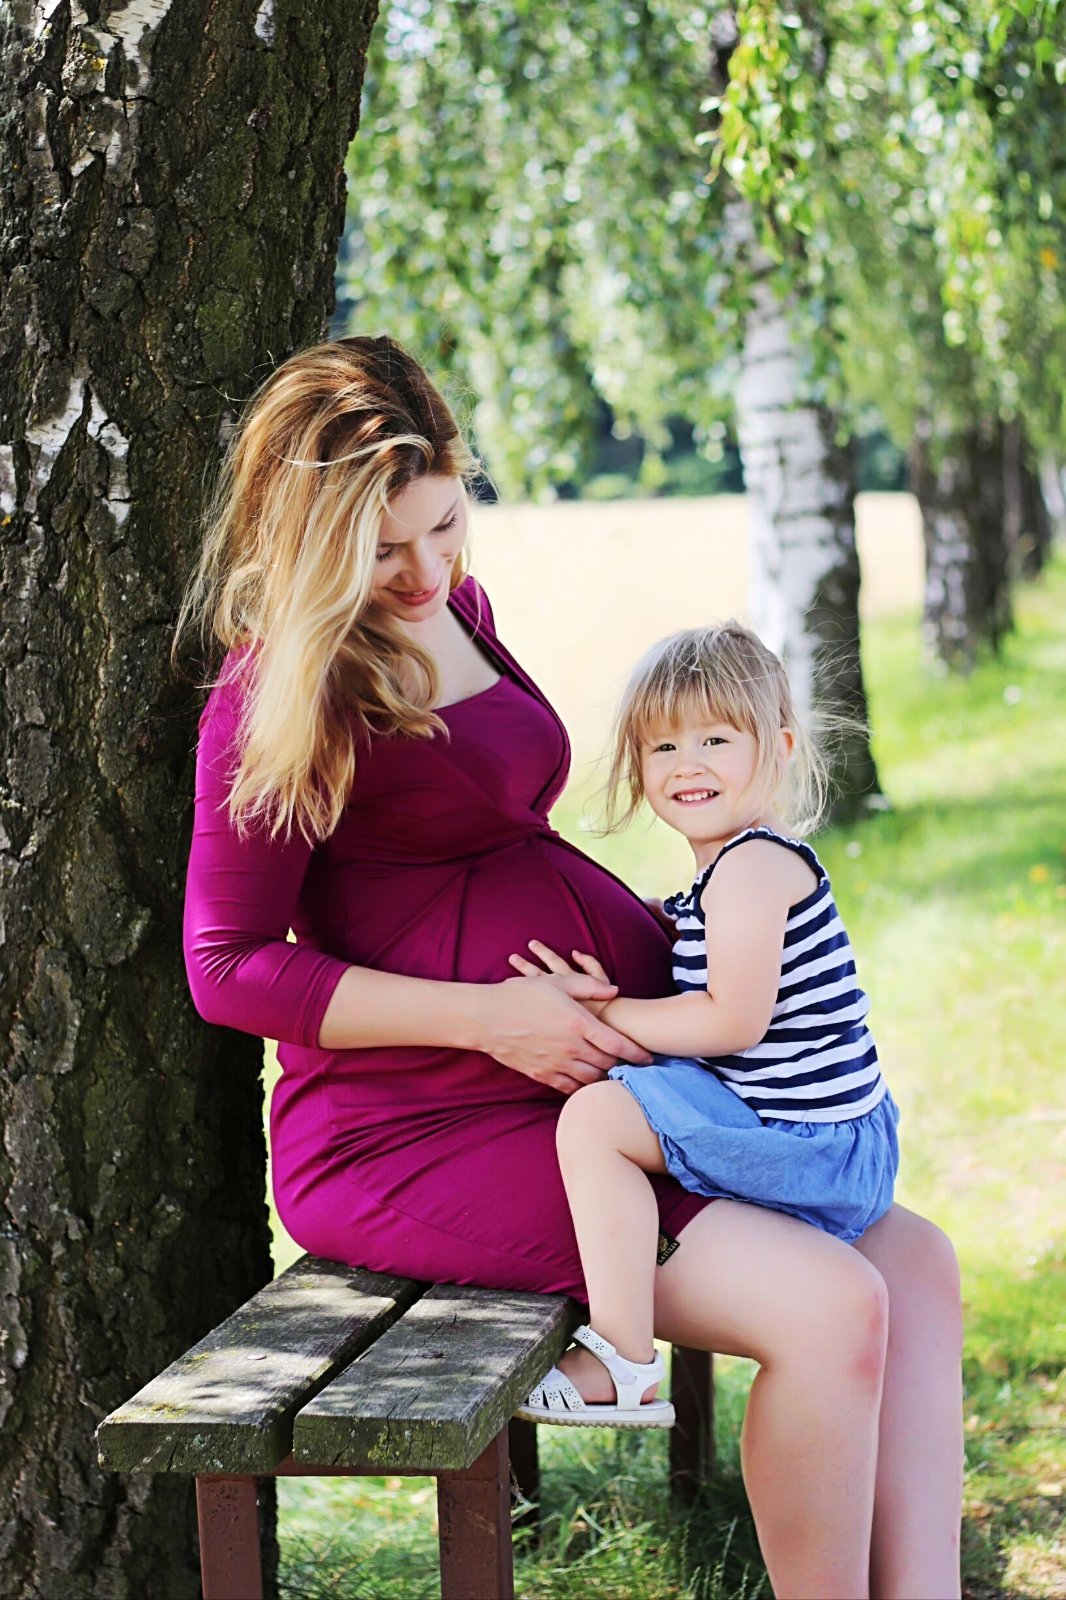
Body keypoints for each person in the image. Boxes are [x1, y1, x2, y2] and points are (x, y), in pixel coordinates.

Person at [178, 334, 963, 1599]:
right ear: (313, 540)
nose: (425, 571)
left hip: (579, 1089)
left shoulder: (457, 609)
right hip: (412, 1128)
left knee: (913, 1267)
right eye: (381, 550)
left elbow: (495, 834)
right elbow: (227, 967)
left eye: (444, 525)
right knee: (831, 1305)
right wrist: (494, 1017)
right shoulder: (278, 695)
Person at [510, 623, 900, 1432]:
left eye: (715, 740)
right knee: (624, 1101)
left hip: (810, 1145)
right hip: (822, 1136)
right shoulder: (739, 866)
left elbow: (731, 1020)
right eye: (663, 747)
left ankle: (623, 1359)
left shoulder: (750, 868)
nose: (687, 764)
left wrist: (598, 1011)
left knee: (597, 1120)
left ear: (779, 748)